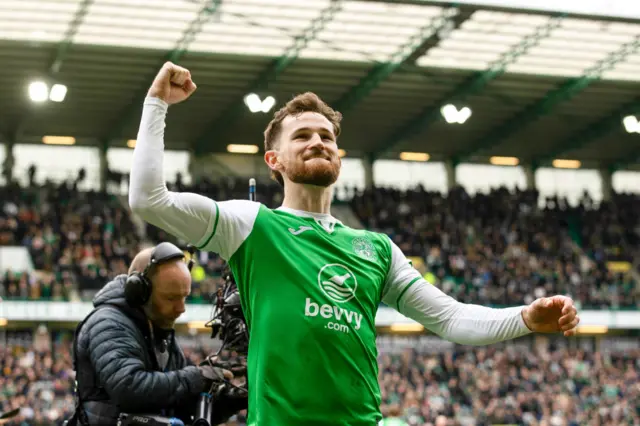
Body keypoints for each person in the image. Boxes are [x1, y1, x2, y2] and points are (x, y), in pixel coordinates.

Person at [128, 62, 581, 426]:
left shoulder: (377, 248)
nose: (318, 142)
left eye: (327, 136)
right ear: (274, 160)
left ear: (339, 157)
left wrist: (524, 317)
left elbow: (453, 319)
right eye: (302, 136)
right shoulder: (251, 225)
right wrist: (156, 104)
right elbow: (149, 199)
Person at [69, 242, 244, 425]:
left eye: (184, 297)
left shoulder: (160, 331)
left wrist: (227, 400)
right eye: (171, 298)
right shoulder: (108, 323)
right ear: (139, 291)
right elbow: (129, 390)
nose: (181, 308)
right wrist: (196, 377)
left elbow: (176, 407)